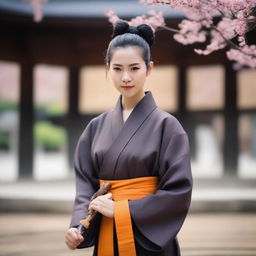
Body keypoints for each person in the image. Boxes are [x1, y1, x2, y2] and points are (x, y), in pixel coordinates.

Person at [65, 21, 193, 256]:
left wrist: (123, 210)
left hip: (147, 238)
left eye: (134, 68)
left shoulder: (167, 126)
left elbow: (178, 191)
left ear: (149, 68)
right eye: (117, 69)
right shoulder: (96, 127)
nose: (126, 77)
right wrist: (78, 225)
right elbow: (85, 186)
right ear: (107, 68)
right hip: (105, 228)